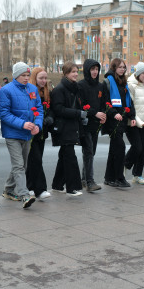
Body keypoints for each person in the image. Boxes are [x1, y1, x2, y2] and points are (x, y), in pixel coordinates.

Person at [0, 62, 43, 209]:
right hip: (12, 134)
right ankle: (24, 195)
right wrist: (22, 124)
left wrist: (37, 125)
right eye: (23, 75)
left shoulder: (33, 89)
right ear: (16, 75)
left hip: (27, 134)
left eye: (28, 75)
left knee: (22, 164)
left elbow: (39, 109)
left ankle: (8, 190)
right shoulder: (6, 90)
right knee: (19, 165)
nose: (26, 78)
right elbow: (4, 113)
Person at [50, 61, 86, 196]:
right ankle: (72, 188)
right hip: (63, 128)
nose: (76, 74)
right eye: (73, 72)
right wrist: (78, 114)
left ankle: (57, 185)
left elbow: (76, 106)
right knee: (70, 157)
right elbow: (58, 109)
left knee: (64, 156)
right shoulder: (60, 89)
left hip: (71, 126)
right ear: (66, 73)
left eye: (77, 71)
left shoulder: (74, 87)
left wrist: (82, 115)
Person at [102, 58, 136, 187]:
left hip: (122, 120)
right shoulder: (108, 82)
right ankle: (119, 177)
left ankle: (108, 178)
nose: (122, 69)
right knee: (120, 148)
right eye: (120, 67)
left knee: (114, 149)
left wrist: (132, 116)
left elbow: (129, 102)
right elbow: (105, 103)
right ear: (114, 68)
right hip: (112, 121)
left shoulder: (124, 83)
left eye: (124, 67)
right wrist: (113, 113)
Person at [26, 67, 54, 200]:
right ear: (34, 78)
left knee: (34, 160)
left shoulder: (47, 92)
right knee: (35, 159)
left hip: (43, 130)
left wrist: (49, 119)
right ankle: (40, 189)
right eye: (40, 78)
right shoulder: (30, 91)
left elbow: (51, 110)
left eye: (45, 78)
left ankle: (29, 185)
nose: (43, 81)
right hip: (32, 130)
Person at [77, 58, 105, 192]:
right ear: (87, 70)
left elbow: (104, 103)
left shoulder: (100, 86)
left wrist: (103, 115)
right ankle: (90, 181)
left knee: (91, 151)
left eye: (96, 69)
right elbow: (81, 105)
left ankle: (84, 178)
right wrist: (94, 113)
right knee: (88, 151)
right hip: (85, 123)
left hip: (96, 124)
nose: (95, 72)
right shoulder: (81, 85)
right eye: (92, 69)